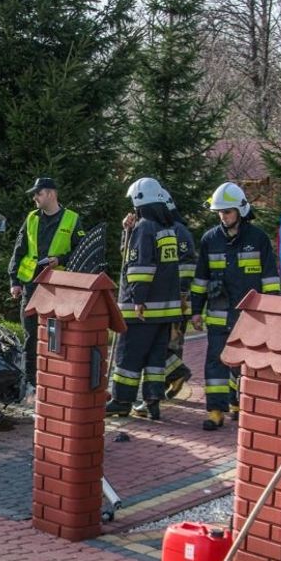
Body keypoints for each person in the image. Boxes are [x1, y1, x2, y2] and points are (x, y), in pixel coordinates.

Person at [191, 182, 281, 431]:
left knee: (247, 362)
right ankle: (215, 410)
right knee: (216, 361)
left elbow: (270, 278)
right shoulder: (210, 239)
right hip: (218, 313)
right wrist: (196, 310)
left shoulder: (258, 238)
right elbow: (201, 279)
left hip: (249, 316)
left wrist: (271, 311)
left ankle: (239, 404)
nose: (223, 216)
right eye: (220, 212)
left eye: (227, 212)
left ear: (240, 211)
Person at [105, 177, 182, 420]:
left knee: (128, 357)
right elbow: (135, 256)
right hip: (164, 311)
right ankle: (152, 403)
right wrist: (126, 232)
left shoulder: (145, 227)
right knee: (155, 360)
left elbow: (139, 266)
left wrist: (138, 299)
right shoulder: (165, 228)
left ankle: (120, 401)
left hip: (142, 309)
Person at [8, 177, 87, 389]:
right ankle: (30, 382)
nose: (34, 197)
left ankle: (53, 379)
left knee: (55, 334)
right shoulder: (32, 218)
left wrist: (60, 260)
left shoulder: (72, 219)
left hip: (56, 287)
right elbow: (19, 249)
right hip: (31, 285)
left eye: (38, 193)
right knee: (31, 334)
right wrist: (14, 281)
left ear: (51, 194)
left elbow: (82, 252)